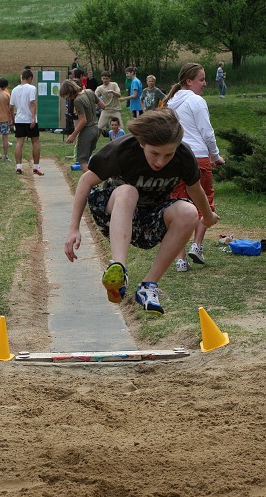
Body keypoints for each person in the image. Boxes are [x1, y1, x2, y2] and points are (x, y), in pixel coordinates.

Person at [64, 109, 219, 315]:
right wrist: (74, 227)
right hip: (114, 212)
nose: (160, 162)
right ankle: (118, 268)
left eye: (168, 155)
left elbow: (195, 189)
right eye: (154, 153)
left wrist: (206, 216)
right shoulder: (122, 150)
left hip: (150, 219)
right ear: (142, 143)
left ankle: (148, 286)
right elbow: (85, 181)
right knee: (129, 191)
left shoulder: (184, 156)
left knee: (189, 212)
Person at [164, 62, 225, 272]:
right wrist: (216, 156)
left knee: (179, 207)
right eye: (201, 79)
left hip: (175, 158)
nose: (205, 83)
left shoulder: (170, 102)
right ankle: (197, 245)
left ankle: (181, 260)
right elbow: (207, 132)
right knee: (205, 203)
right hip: (198, 157)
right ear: (189, 81)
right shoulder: (196, 101)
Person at [59, 80, 105, 173]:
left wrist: (73, 135)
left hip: (87, 131)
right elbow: (102, 106)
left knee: (82, 161)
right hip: (96, 129)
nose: (69, 98)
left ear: (70, 92)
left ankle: (89, 185)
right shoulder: (89, 91)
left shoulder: (77, 100)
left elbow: (83, 120)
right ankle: (93, 184)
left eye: (67, 96)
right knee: (87, 159)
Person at [10, 68, 44, 175]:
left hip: (19, 119)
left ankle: (18, 166)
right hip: (30, 119)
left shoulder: (14, 89)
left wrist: (12, 119)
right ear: (30, 78)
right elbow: (32, 103)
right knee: (35, 142)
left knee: (19, 142)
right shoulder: (31, 88)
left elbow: (11, 107)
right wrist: (33, 117)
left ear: (22, 77)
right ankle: (36, 167)